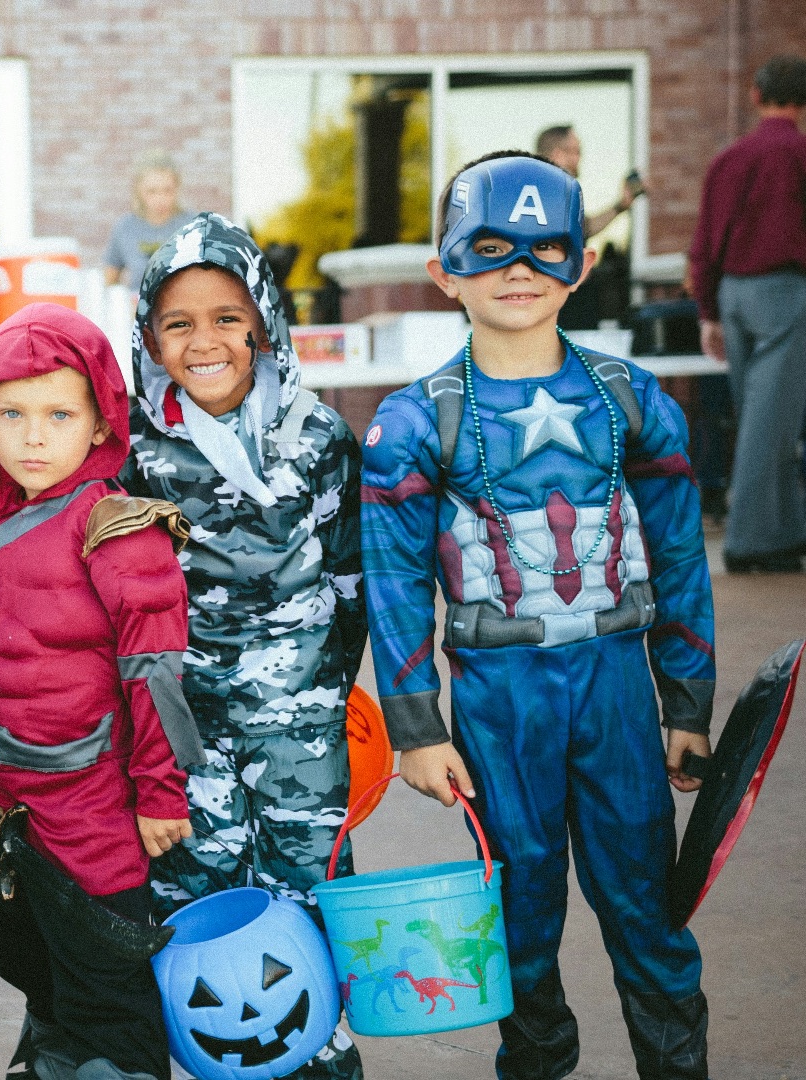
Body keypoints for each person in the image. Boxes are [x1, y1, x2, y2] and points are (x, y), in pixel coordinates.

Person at [363, 152, 716, 1079]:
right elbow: (394, 581)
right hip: (497, 699)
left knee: (647, 910)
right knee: (518, 918)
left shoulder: (633, 401)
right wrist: (415, 727)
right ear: (444, 270)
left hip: (615, 691)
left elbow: (678, 554)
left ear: (582, 263)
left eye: (546, 247)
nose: (520, 270)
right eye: (489, 248)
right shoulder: (414, 422)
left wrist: (687, 702)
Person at [119, 212, 367, 1079]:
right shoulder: (134, 449)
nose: (205, 341)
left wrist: (326, 695)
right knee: (205, 909)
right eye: (178, 324)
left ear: (263, 318)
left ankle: (325, 1062)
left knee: (307, 902)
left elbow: (348, 581)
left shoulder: (317, 435)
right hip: (183, 736)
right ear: (148, 335)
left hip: (300, 728)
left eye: (227, 318)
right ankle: (224, 1062)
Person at [0, 302, 196, 1080]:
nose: (33, 434)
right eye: (13, 413)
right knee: (39, 975)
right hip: (14, 818)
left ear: (98, 421)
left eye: (59, 413)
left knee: (108, 989)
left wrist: (161, 790)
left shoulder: (116, 527)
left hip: (95, 809)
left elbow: (154, 670)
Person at [688, 54, 806, 574]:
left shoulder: (729, 159)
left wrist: (708, 312)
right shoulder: (800, 154)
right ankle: (748, 543)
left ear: (756, 96)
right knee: (769, 423)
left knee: (767, 419)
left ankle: (783, 535)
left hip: (733, 295)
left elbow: (704, 240)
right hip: (784, 293)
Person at [103, 151, 197, 290]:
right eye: (152, 191)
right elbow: (110, 281)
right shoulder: (125, 227)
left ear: (177, 188)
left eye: (167, 190)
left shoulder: (194, 226)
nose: (160, 198)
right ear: (139, 191)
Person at [535, 124, 644, 240]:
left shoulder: (548, 195)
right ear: (558, 155)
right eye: (577, 151)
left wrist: (621, 205)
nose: (579, 158)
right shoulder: (545, 196)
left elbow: (585, 228)